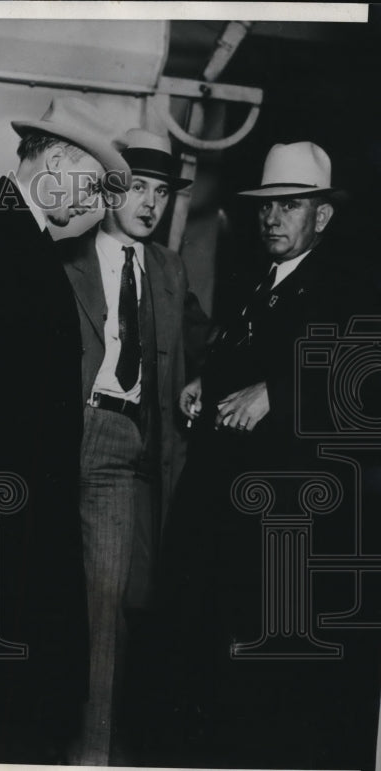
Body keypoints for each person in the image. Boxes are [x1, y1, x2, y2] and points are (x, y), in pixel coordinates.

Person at [0, 96, 130, 764]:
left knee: (3, 685)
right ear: (60, 160)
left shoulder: (20, 233)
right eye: (92, 184)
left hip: (14, 501)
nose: (94, 199)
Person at [163, 141, 380, 770]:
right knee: (223, 674)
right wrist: (209, 377)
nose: (273, 218)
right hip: (233, 518)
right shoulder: (257, 281)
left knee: (278, 692)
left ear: (324, 217)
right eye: (266, 206)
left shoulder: (348, 282)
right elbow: (246, 357)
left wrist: (278, 395)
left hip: (291, 522)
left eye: (291, 205)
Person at [59, 128, 208, 765]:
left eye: (162, 193)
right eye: (137, 188)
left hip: (132, 441)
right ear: (110, 189)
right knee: (72, 602)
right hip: (69, 431)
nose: (151, 203)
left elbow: (207, 340)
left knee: (111, 603)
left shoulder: (170, 270)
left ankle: (94, 752)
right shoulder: (63, 258)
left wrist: (207, 375)